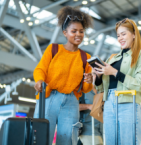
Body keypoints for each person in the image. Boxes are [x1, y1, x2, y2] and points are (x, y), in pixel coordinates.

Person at [33, 6, 93, 145]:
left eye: (81, 31)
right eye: (74, 31)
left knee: (67, 140)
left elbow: (85, 88)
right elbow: (40, 68)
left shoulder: (86, 57)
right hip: (48, 97)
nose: (78, 34)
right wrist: (40, 80)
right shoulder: (54, 49)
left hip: (71, 102)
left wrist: (89, 80)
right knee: (42, 138)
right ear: (65, 32)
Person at [93, 18, 141, 145]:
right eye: (118, 35)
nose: (120, 38)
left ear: (134, 35)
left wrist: (115, 72)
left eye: (123, 34)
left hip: (128, 103)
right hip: (109, 104)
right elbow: (101, 88)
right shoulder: (112, 58)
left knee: (128, 142)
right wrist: (97, 77)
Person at [78, 73, 103, 145]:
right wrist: (88, 106)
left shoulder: (102, 90)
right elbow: (71, 107)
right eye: (93, 74)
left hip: (102, 131)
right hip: (87, 131)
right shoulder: (82, 90)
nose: (95, 77)